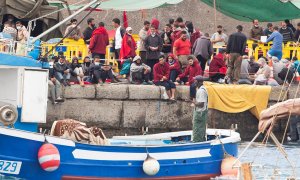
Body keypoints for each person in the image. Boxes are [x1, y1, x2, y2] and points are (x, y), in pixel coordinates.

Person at [192, 75, 208, 142]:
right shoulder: (201, 89)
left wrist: (193, 103)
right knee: (200, 130)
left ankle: (197, 143)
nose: (194, 82)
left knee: (197, 130)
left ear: (199, 82)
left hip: (200, 114)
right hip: (201, 113)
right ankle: (201, 141)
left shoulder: (201, 91)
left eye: (195, 81)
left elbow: (201, 104)